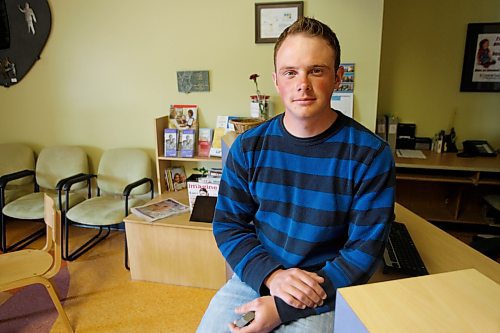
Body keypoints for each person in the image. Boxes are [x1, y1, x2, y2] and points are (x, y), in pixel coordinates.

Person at [197, 17, 395, 333]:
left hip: (325, 284)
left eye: (316, 70)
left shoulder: (370, 155)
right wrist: (272, 276)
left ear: (338, 78)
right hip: (259, 274)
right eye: (291, 72)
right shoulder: (248, 147)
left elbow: (365, 251)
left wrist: (282, 307)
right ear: (277, 80)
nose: (303, 84)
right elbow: (228, 224)